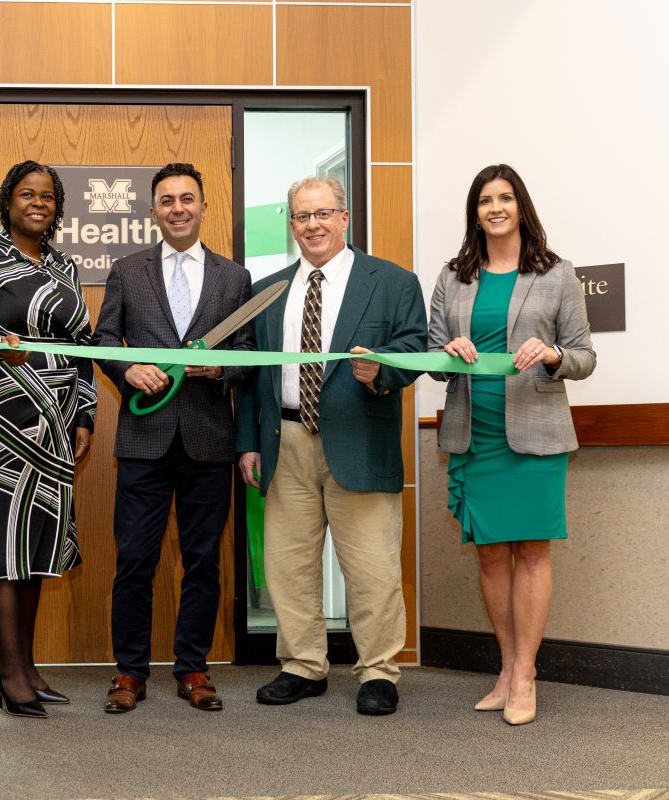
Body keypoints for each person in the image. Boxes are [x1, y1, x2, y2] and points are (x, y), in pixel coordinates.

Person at [235, 175, 426, 716]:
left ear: (344, 217)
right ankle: (302, 665)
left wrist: (381, 371)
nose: (312, 225)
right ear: (292, 225)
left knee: (372, 568)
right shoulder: (268, 291)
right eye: (301, 216)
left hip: (360, 441)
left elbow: (414, 346)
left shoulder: (392, 281)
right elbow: (251, 375)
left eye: (322, 214)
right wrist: (248, 443)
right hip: (285, 442)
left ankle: (378, 671)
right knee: (289, 566)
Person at [427, 163, 595, 725]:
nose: (494, 208)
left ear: (521, 206)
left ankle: (525, 675)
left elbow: (583, 356)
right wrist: (448, 351)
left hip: (536, 433)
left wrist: (550, 355)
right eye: (484, 200)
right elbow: (433, 357)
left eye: (504, 198)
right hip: (474, 434)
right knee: (492, 555)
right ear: (474, 213)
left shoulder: (557, 274)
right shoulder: (453, 276)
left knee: (532, 551)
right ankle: (506, 668)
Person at [93, 162, 253, 714]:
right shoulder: (127, 271)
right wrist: (128, 370)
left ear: (204, 207)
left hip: (209, 440)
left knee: (203, 563)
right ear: (153, 211)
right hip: (144, 440)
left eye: (187, 199)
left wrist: (220, 369)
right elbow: (104, 340)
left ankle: (193, 668)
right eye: (167, 200)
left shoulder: (234, 278)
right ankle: (129, 672)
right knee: (134, 561)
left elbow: (249, 354)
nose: (178, 208)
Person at [0, 161, 97, 718]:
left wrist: (85, 414)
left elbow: (83, 347)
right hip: (0, 423)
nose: (38, 203)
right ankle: (8, 670)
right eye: (27, 194)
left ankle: (26, 665)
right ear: (8, 201)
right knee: (1, 545)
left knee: (35, 545)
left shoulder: (65, 266)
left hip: (55, 425)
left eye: (47, 196)